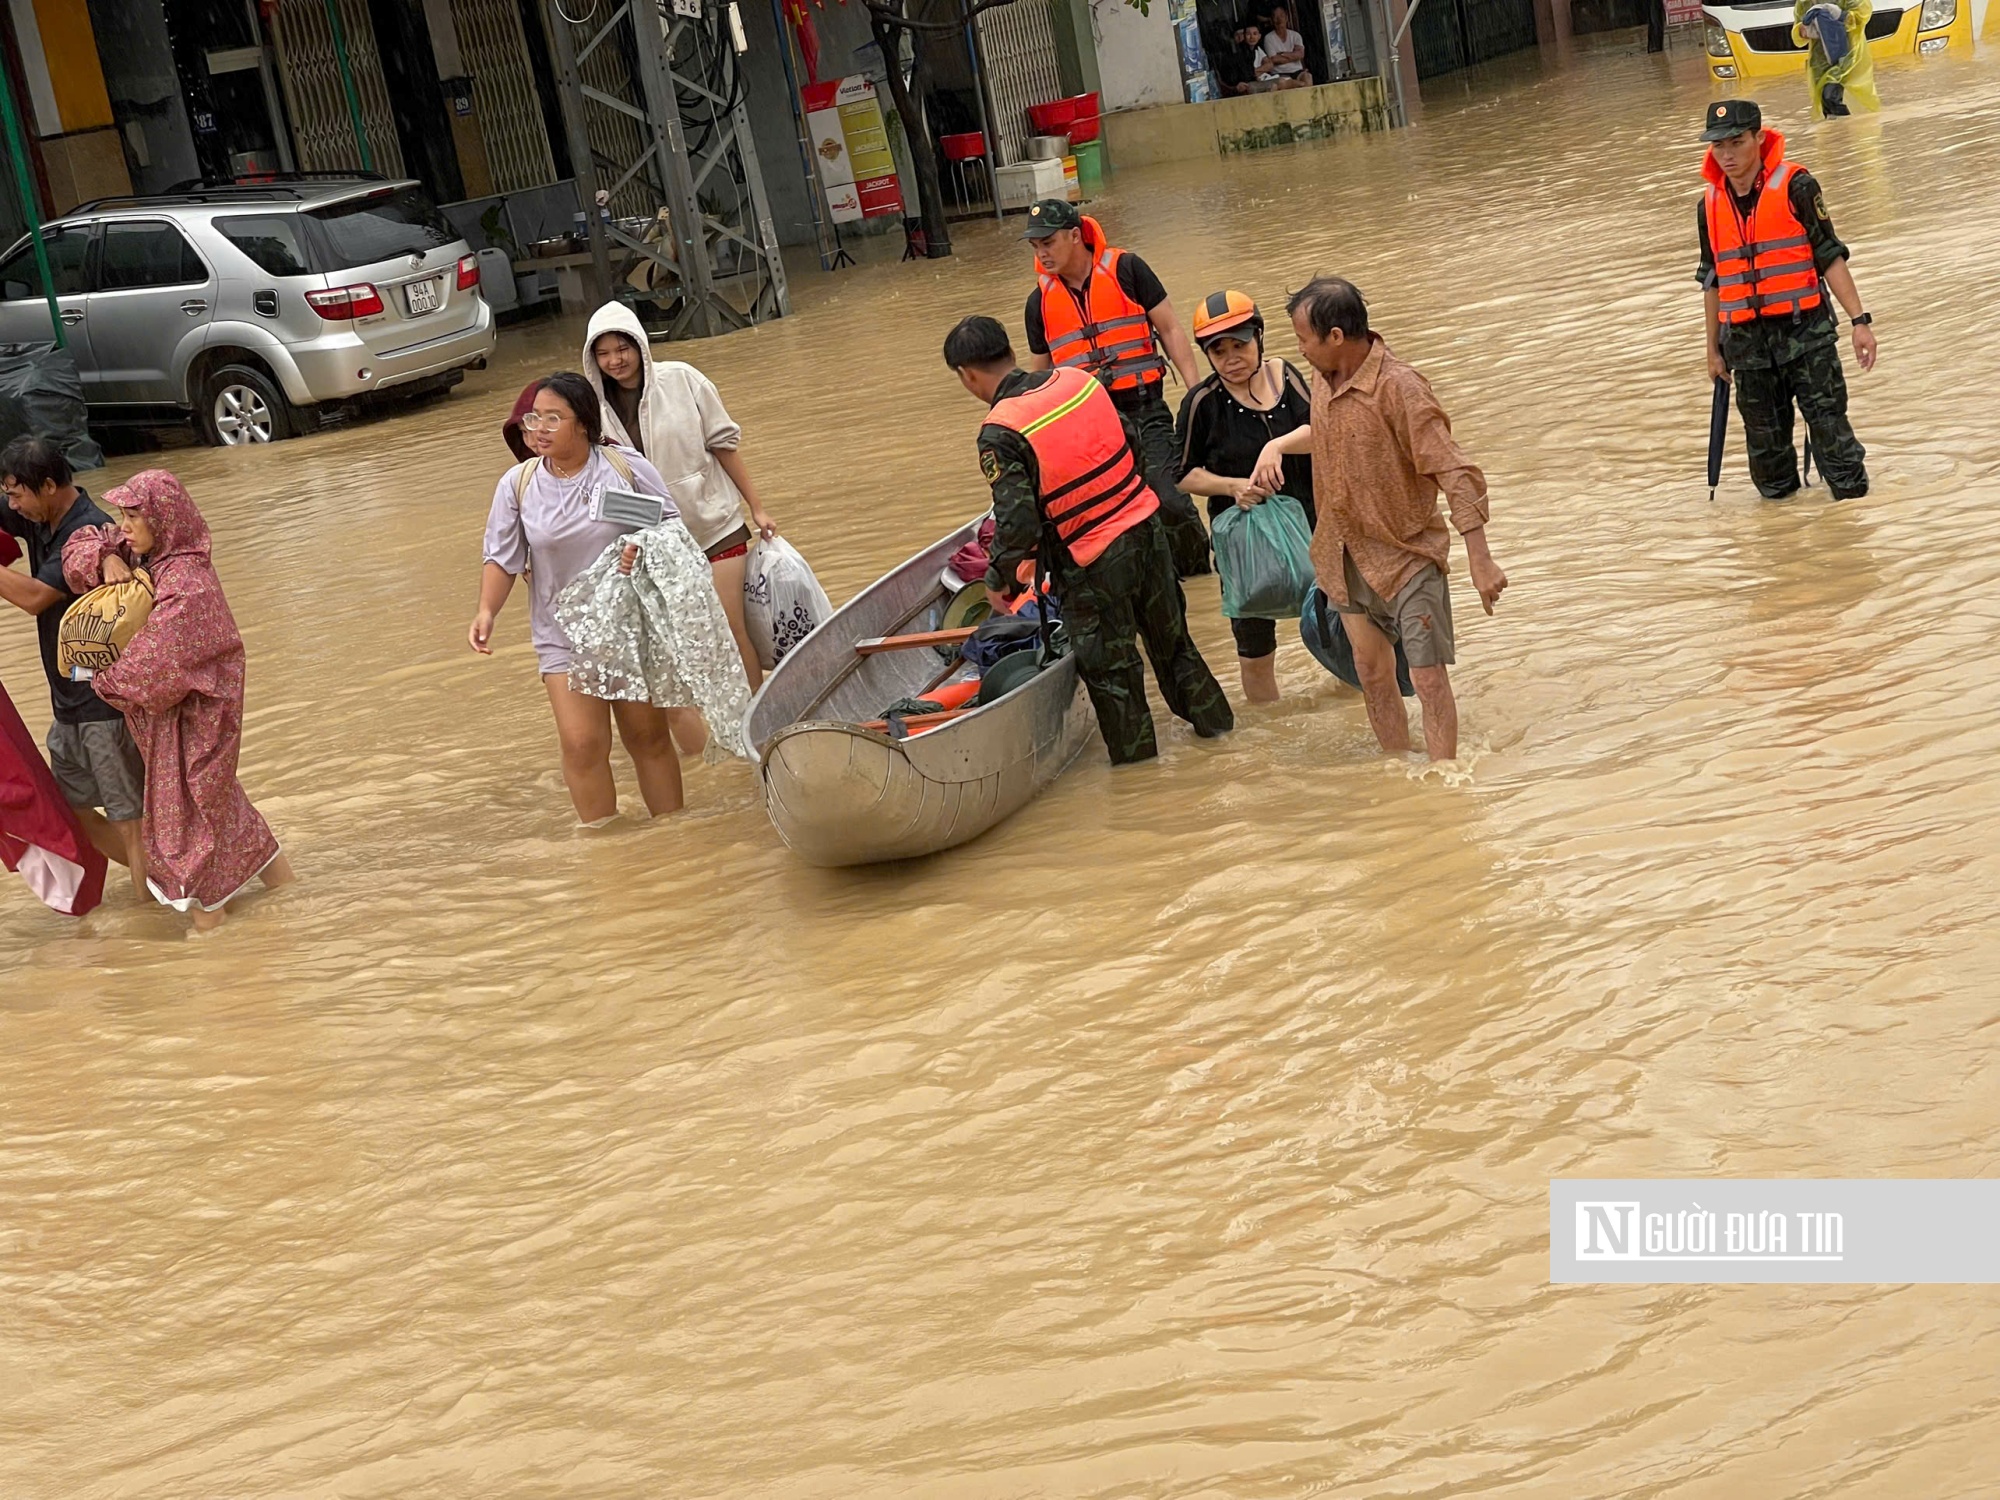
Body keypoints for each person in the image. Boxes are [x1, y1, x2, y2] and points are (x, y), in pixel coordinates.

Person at [943, 315, 1232, 765]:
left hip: (1091, 561)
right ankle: (1222, 737)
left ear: (967, 376)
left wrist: (999, 579)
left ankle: (1143, 784)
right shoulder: (1078, 382)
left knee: (1114, 675)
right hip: (1147, 533)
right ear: (1012, 353)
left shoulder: (999, 431)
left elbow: (1017, 522)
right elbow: (1131, 440)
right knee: (1176, 647)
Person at [1252, 278, 1507, 761]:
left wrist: (1481, 560)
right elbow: (1329, 436)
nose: (1299, 349)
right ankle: (1398, 770)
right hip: (1344, 558)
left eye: (1304, 337)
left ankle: (1444, 778)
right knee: (1372, 674)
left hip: (1407, 557)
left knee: (1428, 679)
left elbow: (1455, 469)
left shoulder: (1400, 387)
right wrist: (1278, 444)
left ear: (1334, 337)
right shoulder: (1324, 385)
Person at [61, 471, 294, 932]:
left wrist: (94, 676)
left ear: (162, 519)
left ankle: (211, 939)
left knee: (181, 828)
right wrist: (107, 558)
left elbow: (151, 669)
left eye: (133, 516)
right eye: (122, 516)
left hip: (198, 722)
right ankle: (288, 902)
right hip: (168, 720)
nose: (123, 526)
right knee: (223, 810)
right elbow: (80, 544)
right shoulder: (148, 554)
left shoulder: (187, 583)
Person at [473, 372, 705, 825]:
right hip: (562, 634)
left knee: (647, 738)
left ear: (583, 423)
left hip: (628, 627)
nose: (539, 428)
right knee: (581, 744)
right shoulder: (518, 486)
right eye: (533, 418)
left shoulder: (621, 470)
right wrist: (486, 611)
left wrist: (639, 549)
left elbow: (670, 528)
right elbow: (501, 558)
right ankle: (605, 847)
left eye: (553, 418)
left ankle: (674, 835)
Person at [578, 303, 780, 689]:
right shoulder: (591, 407)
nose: (615, 361)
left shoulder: (683, 379)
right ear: (591, 358)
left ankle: (759, 720)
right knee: (686, 643)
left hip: (715, 523)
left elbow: (724, 445)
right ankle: (721, 729)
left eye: (622, 349)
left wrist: (757, 507)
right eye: (603, 353)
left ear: (640, 345)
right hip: (656, 545)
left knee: (730, 627)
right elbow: (598, 484)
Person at [1020, 199, 1213, 579]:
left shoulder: (1127, 269)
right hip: (1091, 431)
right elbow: (1038, 381)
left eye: (1049, 241)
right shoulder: (1039, 303)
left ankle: (1199, 576)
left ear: (1075, 236)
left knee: (1169, 498)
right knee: (1112, 521)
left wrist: (1196, 397)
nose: (1042, 252)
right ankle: (1154, 581)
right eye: (1035, 245)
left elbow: (1171, 330)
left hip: (1144, 409)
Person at [1697, 99, 1873, 501]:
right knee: (1770, 472)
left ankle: (1852, 532)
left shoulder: (1798, 186)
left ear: (1759, 138)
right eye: (1717, 145)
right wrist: (1712, 351)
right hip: (1747, 350)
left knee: (1837, 451)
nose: (1726, 154)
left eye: (1736, 142)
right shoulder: (1707, 205)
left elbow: (1829, 255)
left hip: (1806, 337)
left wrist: (1859, 321)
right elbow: (1712, 281)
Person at [0, 436, 147, 898]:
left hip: (102, 701)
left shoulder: (85, 533)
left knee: (128, 818)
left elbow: (33, 598)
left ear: (47, 486)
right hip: (67, 703)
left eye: (16, 494)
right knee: (71, 808)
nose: (12, 505)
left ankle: (152, 907)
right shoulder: (39, 517)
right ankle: (164, 880)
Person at [1174, 289, 1316, 704]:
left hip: (1311, 525)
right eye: (1219, 351)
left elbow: (1321, 431)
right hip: (1245, 541)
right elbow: (1182, 475)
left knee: (1340, 625)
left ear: (1259, 337)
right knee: (1255, 649)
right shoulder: (1202, 403)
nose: (1232, 358)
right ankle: (1270, 734)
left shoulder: (1285, 375)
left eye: (1241, 344)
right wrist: (1231, 486)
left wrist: (1278, 446)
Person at [1259, 6, 1314, 88]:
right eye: (1275, 17)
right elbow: (1274, 59)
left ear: (1286, 18)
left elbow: (1300, 54)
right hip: (1280, 73)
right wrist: (1293, 55)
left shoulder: (1295, 35)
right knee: (1296, 84)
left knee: (1307, 77)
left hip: (1297, 71)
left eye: (1281, 16)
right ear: (1272, 20)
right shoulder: (1269, 38)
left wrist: (1282, 54)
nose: (1279, 19)